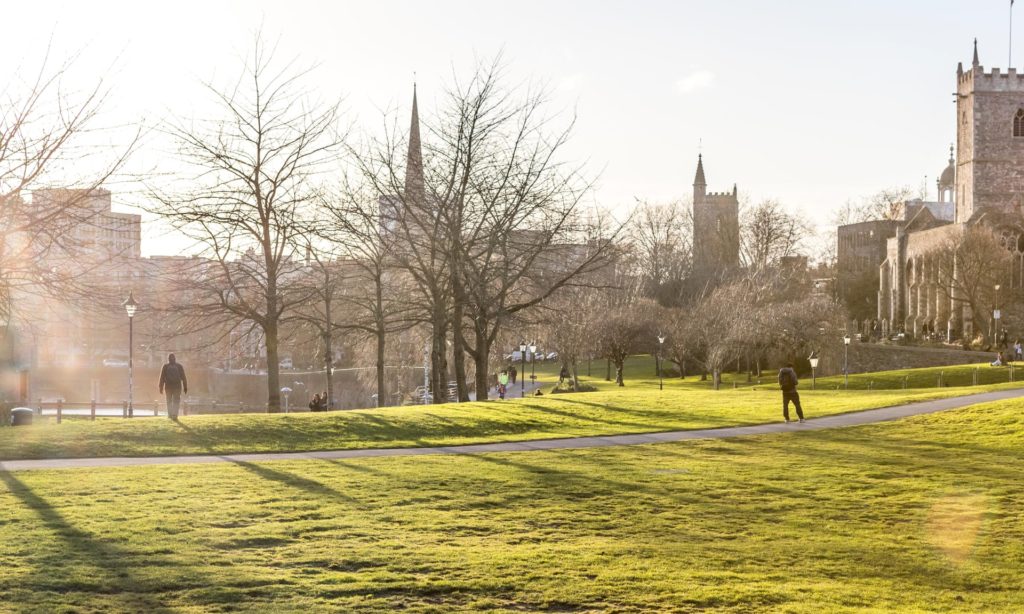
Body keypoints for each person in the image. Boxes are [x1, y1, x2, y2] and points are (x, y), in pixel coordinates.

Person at [158, 353, 188, 420]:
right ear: (175, 358)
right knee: (176, 401)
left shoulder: (165, 366)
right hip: (177, 387)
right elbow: (184, 377)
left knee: (168, 401)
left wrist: (161, 387)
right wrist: (185, 387)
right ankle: (175, 415)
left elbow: (162, 377)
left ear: (168, 359)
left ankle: (170, 414)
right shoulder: (179, 366)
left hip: (168, 387)